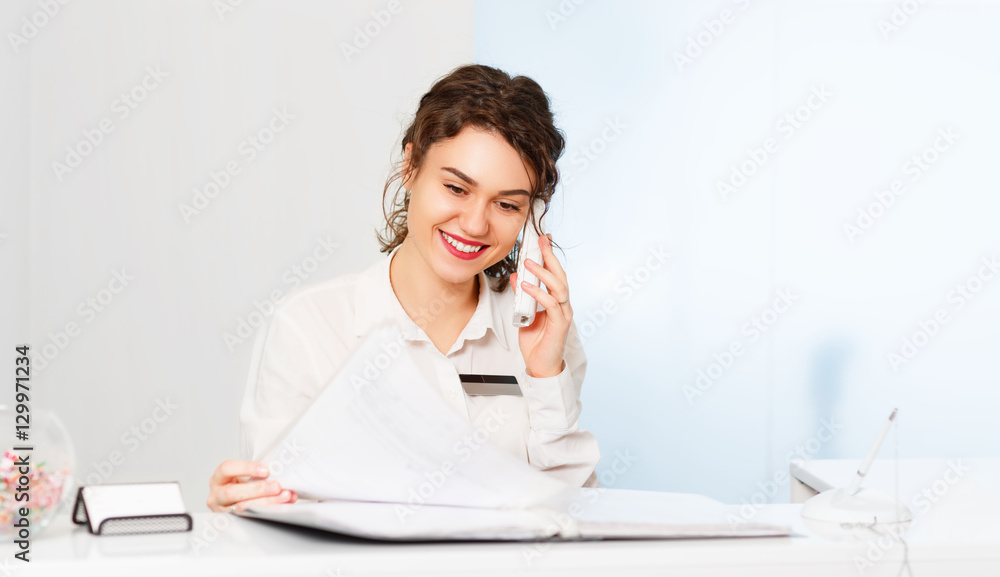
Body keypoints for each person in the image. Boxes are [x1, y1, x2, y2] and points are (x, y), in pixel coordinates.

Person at [206, 64, 600, 514]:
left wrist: (546, 376)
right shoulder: (309, 327)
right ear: (411, 167)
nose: (475, 224)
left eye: (507, 204)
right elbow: (276, 509)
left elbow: (576, 513)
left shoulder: (546, 336)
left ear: (531, 217)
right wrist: (241, 512)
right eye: (456, 188)